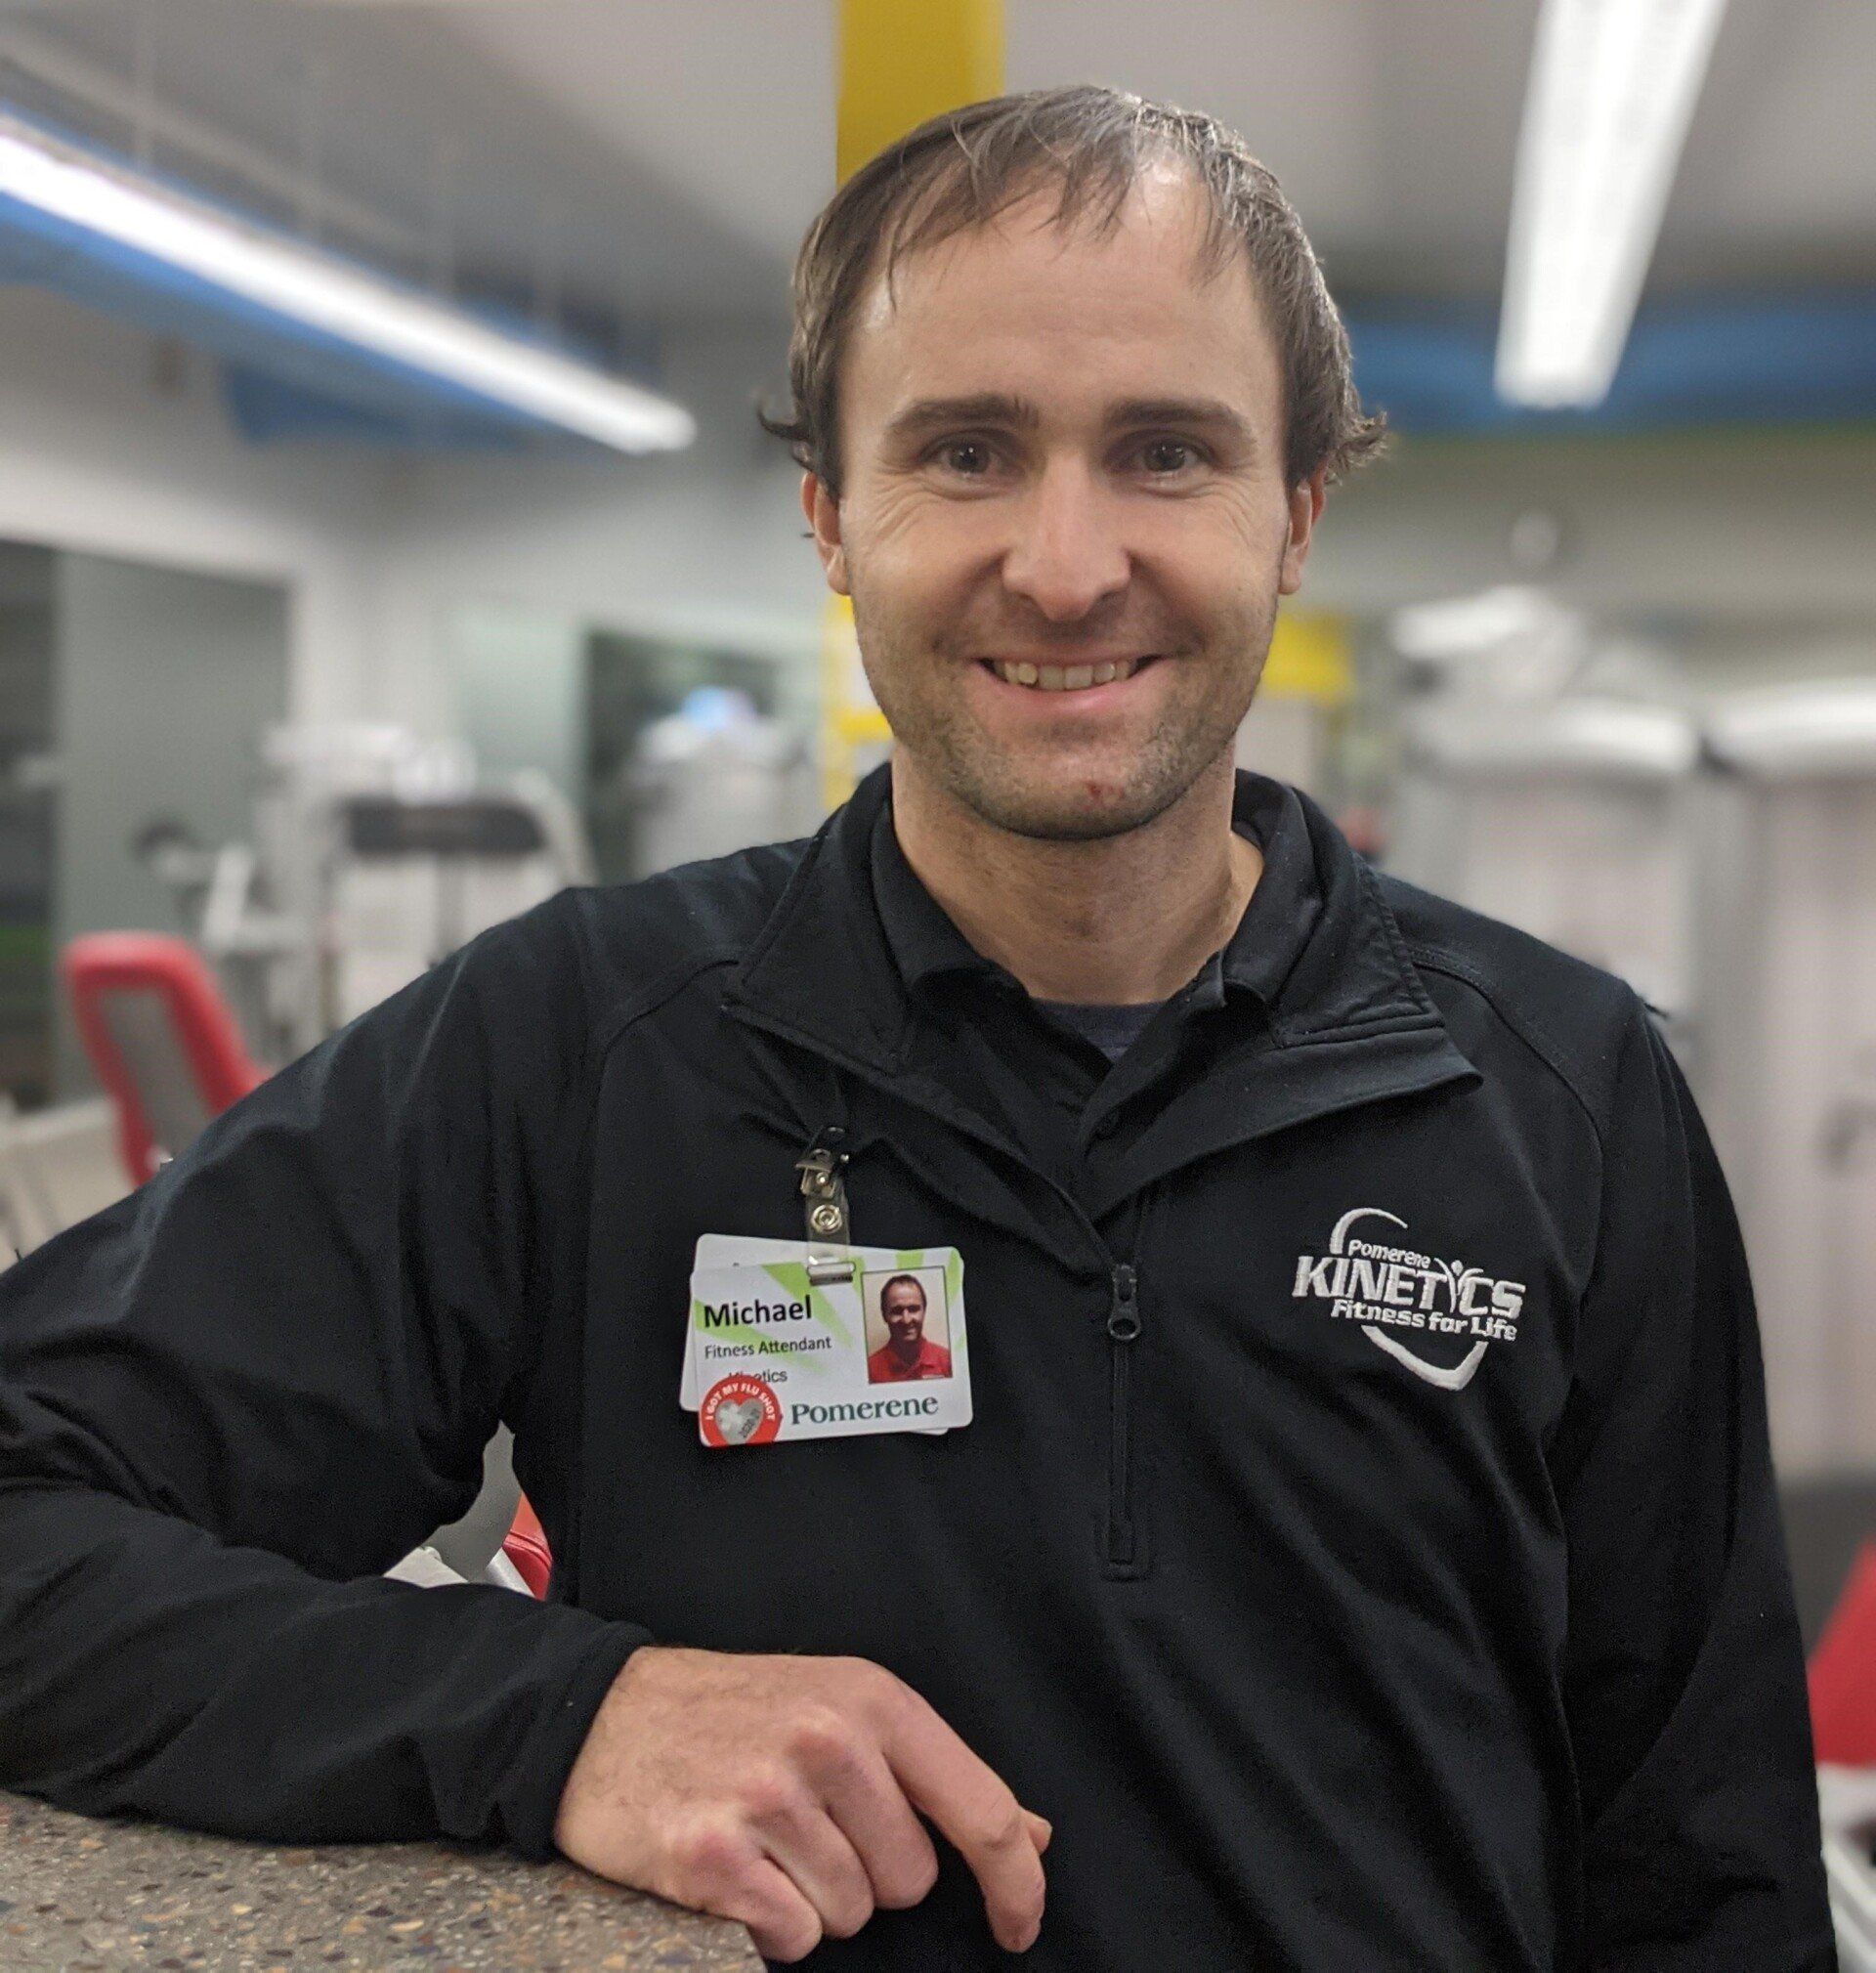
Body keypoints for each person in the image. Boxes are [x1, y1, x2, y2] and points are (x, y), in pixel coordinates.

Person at [0, 85, 1834, 1972]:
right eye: (965, 450)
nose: (1061, 562)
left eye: (1164, 453)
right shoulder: (579, 1047)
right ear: (830, 517)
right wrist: (556, 1713)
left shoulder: (1561, 1090)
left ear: (1294, 516)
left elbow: (1709, 1866)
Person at [866, 1274, 952, 1384]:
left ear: (924, 1311)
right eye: (897, 1311)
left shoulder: (947, 1361)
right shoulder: (869, 1370)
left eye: (913, 1309)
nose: (906, 1320)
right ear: (884, 1315)